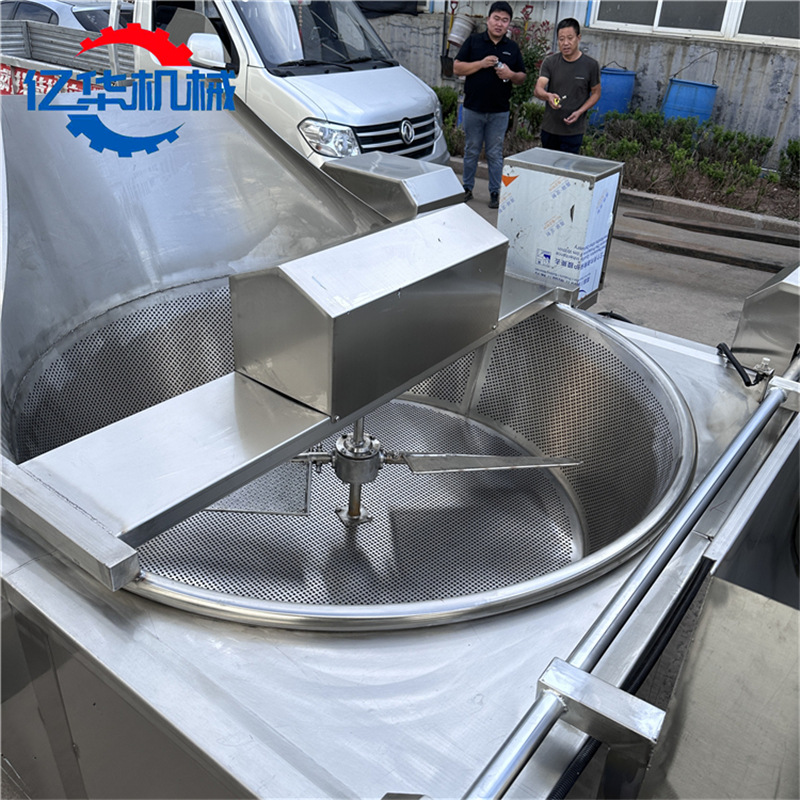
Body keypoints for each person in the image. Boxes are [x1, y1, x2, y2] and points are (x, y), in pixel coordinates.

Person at [454, 1, 525, 209]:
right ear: (488, 19)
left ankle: (495, 192)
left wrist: (510, 74)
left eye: (505, 20)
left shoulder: (512, 48)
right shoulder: (474, 41)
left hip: (499, 112)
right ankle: (467, 188)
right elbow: (457, 68)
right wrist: (481, 63)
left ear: (509, 24)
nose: (499, 24)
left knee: (495, 153)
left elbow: (522, 77)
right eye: (496, 18)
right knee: (471, 150)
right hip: (473, 108)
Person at [535, 18, 601, 154]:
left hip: (574, 131)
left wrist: (580, 112)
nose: (565, 43)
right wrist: (548, 96)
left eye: (570, 38)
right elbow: (538, 89)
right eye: (561, 39)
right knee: (547, 164)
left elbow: (596, 93)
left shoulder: (591, 65)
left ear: (578, 38)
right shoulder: (550, 62)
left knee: (568, 166)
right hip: (550, 129)